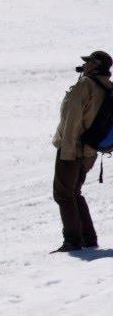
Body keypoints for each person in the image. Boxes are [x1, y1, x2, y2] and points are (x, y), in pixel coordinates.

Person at [53, 51, 109, 251]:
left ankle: (73, 241)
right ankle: (88, 238)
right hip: (90, 151)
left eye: (88, 62)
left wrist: (67, 151)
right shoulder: (106, 86)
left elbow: (72, 121)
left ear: (96, 65)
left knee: (63, 194)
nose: (84, 65)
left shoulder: (86, 85)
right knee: (74, 192)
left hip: (72, 149)